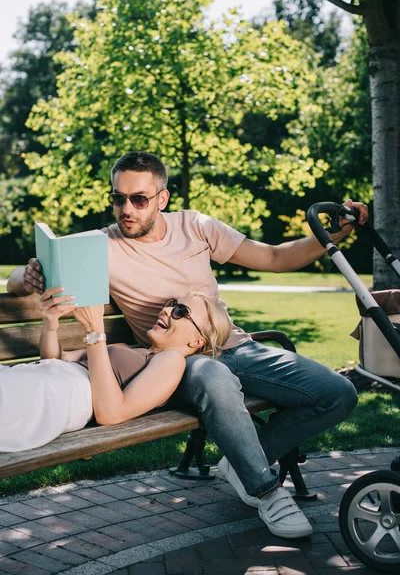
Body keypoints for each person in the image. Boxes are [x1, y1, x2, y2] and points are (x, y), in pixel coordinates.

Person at [8, 151, 369, 539]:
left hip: (236, 347)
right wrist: (24, 276)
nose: (125, 209)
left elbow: (274, 256)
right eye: (117, 198)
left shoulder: (196, 226)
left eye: (138, 199)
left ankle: (249, 460)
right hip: (177, 364)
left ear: (162, 199)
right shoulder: (101, 245)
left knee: (337, 393)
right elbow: (36, 267)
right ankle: (265, 489)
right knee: (211, 371)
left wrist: (329, 237)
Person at [0, 287, 231, 452]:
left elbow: (111, 413)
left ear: (197, 342)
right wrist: (50, 323)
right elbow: (56, 359)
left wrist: (94, 330)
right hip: (41, 378)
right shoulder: (124, 349)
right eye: (171, 303)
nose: (167, 310)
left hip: (58, 394)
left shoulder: (172, 361)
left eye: (181, 312)